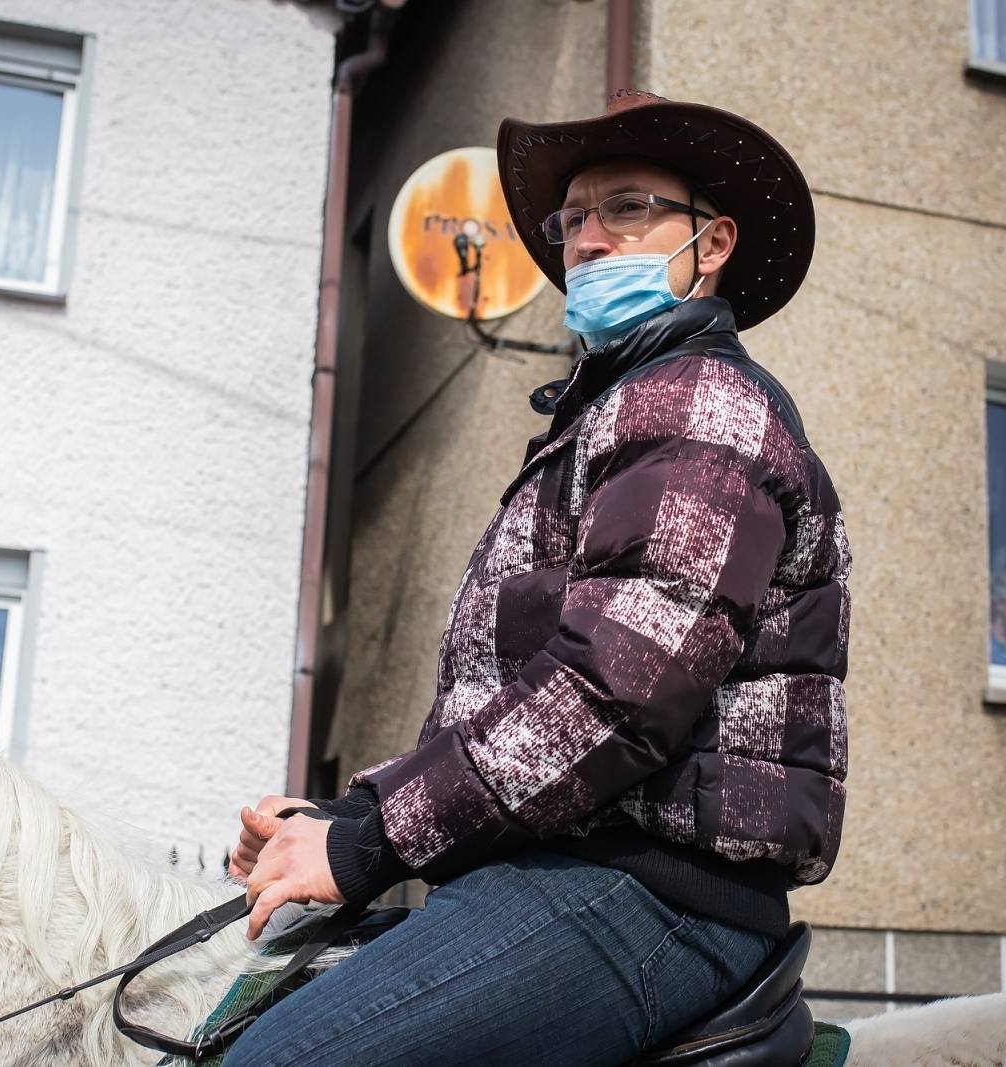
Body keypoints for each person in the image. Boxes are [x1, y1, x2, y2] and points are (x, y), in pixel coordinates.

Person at [225, 90, 851, 1067]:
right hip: (560, 871)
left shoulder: (702, 407)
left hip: (651, 894)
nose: (587, 239)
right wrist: (345, 818)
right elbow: (511, 703)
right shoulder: (616, 412)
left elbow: (610, 695)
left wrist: (369, 843)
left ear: (714, 242)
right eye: (572, 219)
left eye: (628, 207)